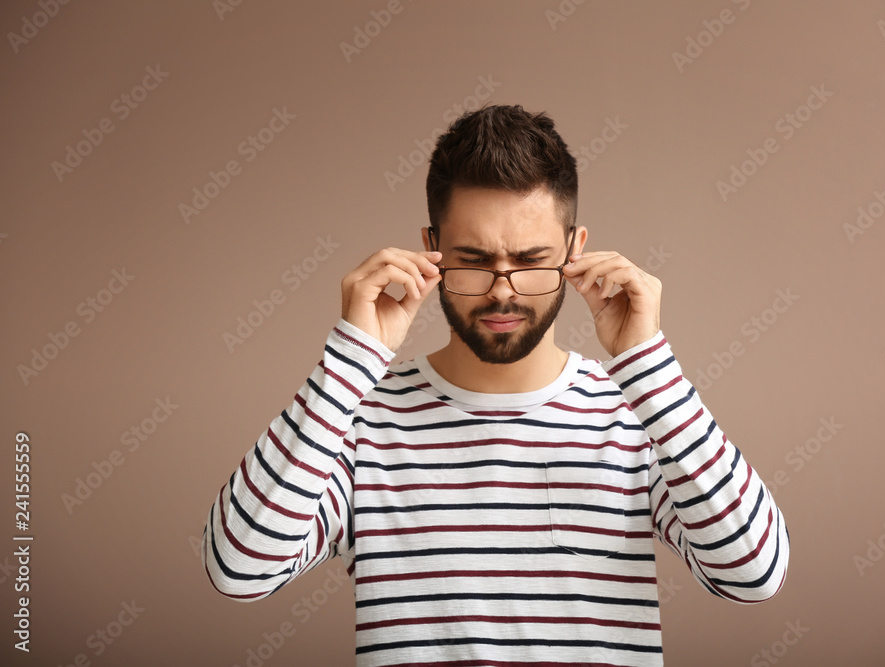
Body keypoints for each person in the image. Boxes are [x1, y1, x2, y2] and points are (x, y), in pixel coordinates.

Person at [202, 104, 790, 666]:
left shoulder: (641, 415)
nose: (503, 291)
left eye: (531, 260)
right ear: (431, 251)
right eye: (474, 260)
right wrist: (352, 358)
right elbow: (239, 568)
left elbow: (754, 573)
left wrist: (648, 365)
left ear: (575, 251)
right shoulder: (358, 421)